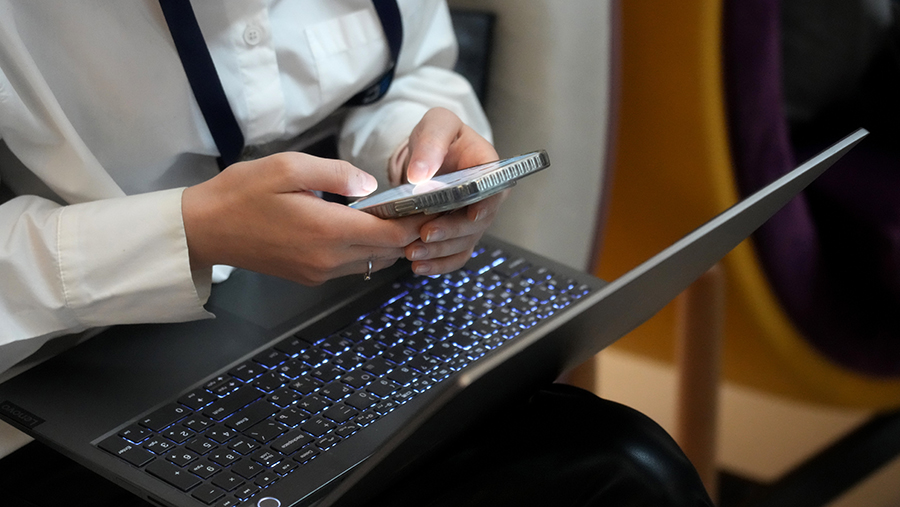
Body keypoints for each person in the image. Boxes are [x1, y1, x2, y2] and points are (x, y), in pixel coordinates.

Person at [0, 1, 714, 505]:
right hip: (62, 375)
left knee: (630, 468)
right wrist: (190, 233)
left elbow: (404, 71)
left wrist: (417, 154)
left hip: (333, 318)